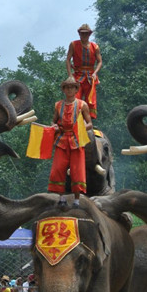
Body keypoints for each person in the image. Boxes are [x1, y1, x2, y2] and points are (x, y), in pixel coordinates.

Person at [47, 76, 93, 208]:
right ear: (64, 89)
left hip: (76, 140)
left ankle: (77, 200)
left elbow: (90, 123)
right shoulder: (58, 105)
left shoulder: (82, 105)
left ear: (76, 89)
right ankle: (61, 198)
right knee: (58, 169)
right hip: (61, 140)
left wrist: (81, 128)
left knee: (77, 170)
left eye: (72, 87)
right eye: (67, 87)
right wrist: (54, 126)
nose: (69, 89)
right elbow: (53, 121)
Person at [65, 23, 102, 119]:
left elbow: (100, 62)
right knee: (74, 97)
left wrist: (95, 73)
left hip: (90, 77)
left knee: (90, 100)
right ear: (79, 34)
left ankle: (88, 122)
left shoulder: (95, 47)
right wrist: (70, 75)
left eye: (86, 33)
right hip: (78, 76)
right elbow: (68, 59)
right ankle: (75, 119)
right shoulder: (74, 44)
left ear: (89, 34)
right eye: (82, 33)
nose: (84, 35)